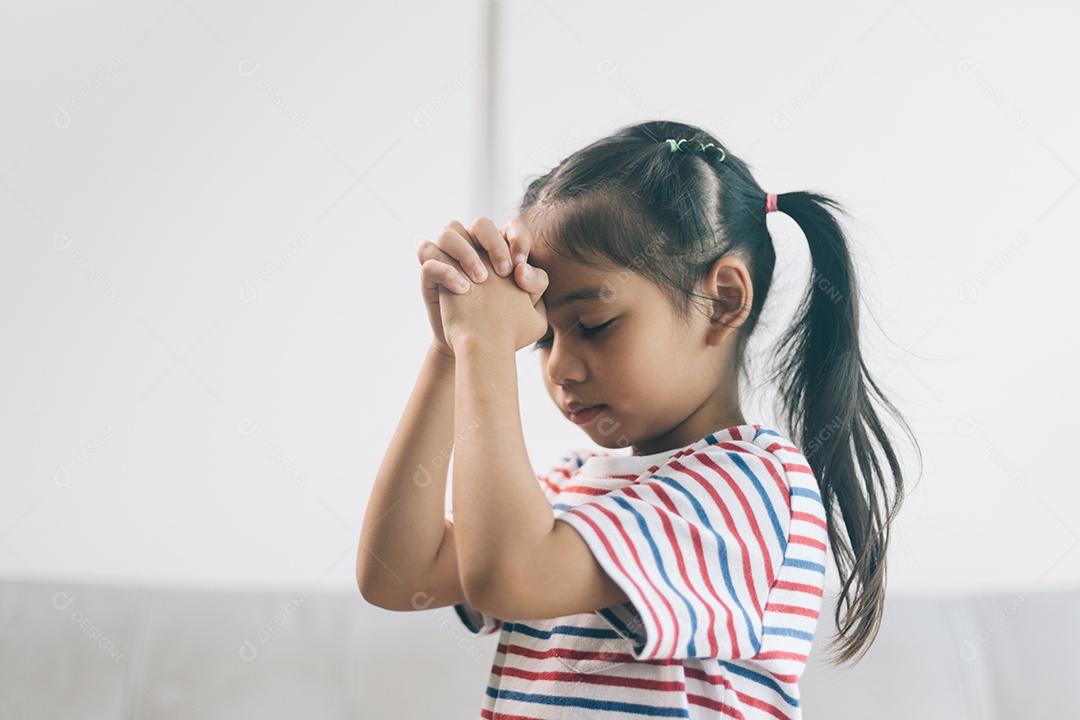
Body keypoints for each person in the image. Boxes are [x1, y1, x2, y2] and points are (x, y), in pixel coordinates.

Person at [357, 120, 921, 720]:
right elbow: (397, 575)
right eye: (541, 338)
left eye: (595, 325)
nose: (560, 367)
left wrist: (485, 348)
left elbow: (509, 573)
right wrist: (450, 351)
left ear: (724, 300)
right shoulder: (573, 487)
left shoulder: (750, 486)